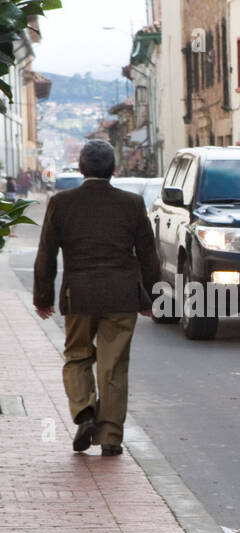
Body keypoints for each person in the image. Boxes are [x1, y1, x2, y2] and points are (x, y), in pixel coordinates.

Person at [33, 140, 161, 456]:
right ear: (113, 169)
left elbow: (46, 254)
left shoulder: (62, 203)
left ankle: (85, 412)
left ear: (81, 169)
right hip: (122, 296)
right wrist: (151, 297)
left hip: (79, 295)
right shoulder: (131, 203)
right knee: (113, 366)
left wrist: (43, 297)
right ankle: (111, 438)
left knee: (77, 356)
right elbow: (148, 255)